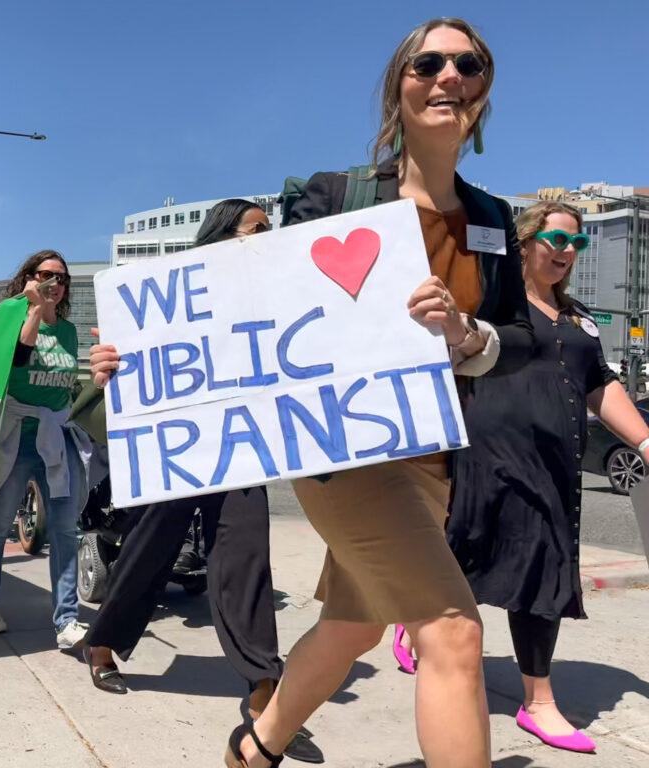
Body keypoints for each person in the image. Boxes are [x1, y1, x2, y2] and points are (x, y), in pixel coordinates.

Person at [220, 19, 535, 768]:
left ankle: (255, 748)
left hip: (435, 457)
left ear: (483, 90)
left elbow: (520, 335)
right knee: (453, 631)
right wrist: (131, 364)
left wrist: (471, 339)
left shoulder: (492, 221)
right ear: (401, 84)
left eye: (469, 63)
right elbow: (252, 309)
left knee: (354, 624)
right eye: (429, 62)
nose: (448, 76)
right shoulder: (336, 196)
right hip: (347, 451)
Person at [84, 201, 323, 764]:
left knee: (245, 559)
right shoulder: (168, 296)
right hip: (180, 444)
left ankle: (265, 687)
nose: (269, 237)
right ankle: (103, 640)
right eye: (257, 229)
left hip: (242, 444)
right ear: (222, 237)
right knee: (150, 547)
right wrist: (107, 368)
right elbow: (131, 367)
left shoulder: (277, 295)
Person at [443, 201, 649, 753]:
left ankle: (538, 701)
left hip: (554, 465)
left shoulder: (579, 318)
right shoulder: (493, 304)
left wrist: (645, 441)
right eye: (555, 240)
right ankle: (421, 628)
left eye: (576, 245)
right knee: (469, 552)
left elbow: (599, 385)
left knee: (541, 565)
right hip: (490, 456)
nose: (566, 253)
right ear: (525, 243)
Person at [0, 250, 91, 651]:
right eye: (45, 275)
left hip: (55, 437)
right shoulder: (14, 319)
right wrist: (35, 310)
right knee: (0, 521)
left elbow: (68, 384)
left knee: (65, 528)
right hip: (18, 436)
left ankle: (67, 619)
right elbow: (19, 359)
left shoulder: (70, 333)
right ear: (30, 278)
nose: (55, 282)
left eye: (61, 277)